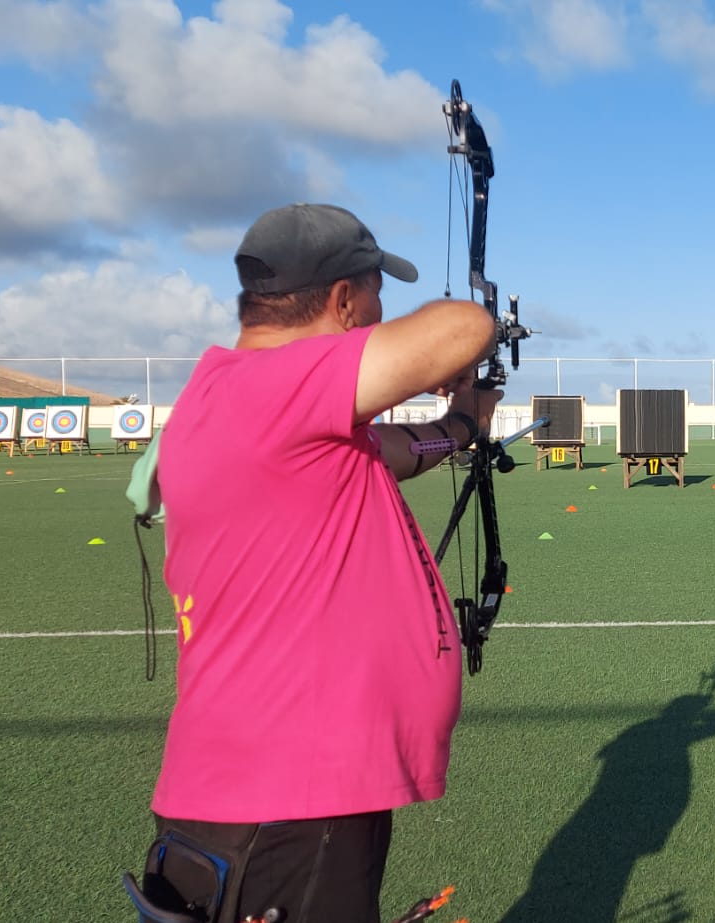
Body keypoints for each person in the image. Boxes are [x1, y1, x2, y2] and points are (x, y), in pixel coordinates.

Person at [123, 203, 501, 923]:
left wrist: (459, 425)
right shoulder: (277, 382)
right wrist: (451, 357)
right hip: (285, 798)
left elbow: (392, 453)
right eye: (375, 293)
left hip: (264, 794)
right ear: (344, 301)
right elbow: (465, 327)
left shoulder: (227, 395)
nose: (381, 307)